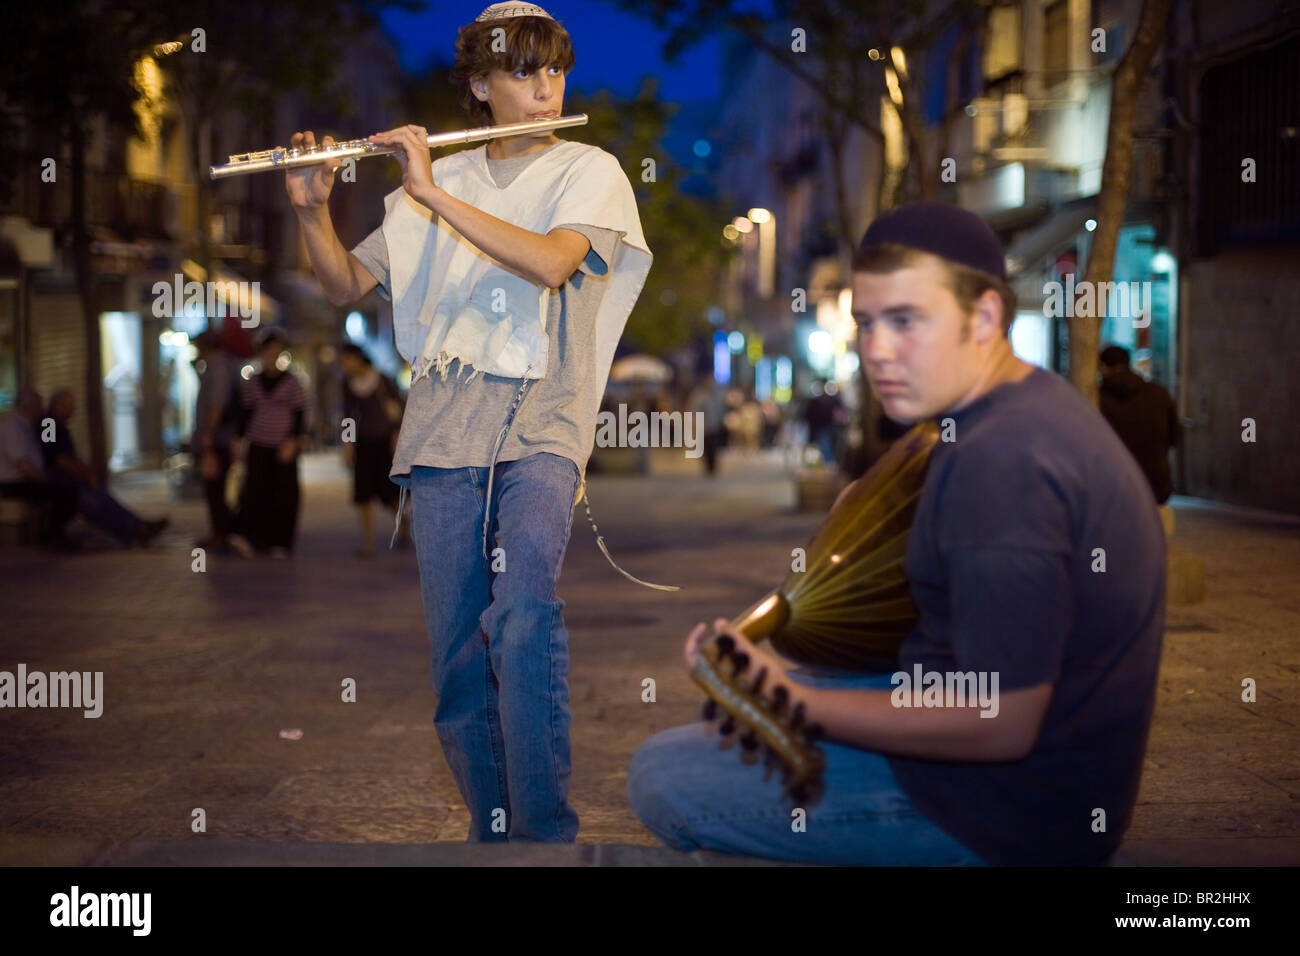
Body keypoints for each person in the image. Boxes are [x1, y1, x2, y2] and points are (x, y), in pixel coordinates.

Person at [629, 201, 1167, 866]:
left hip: (1009, 809)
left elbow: (1002, 719)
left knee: (662, 774)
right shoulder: (1019, 406)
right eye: (866, 323)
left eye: (907, 321)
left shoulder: (1002, 462)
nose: (878, 350)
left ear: (987, 316)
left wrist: (794, 701)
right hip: (1027, 761)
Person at [286, 2, 652, 842]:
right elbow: (347, 286)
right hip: (446, 422)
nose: (545, 86)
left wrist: (426, 193)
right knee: (457, 657)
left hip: (542, 418)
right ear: (480, 85)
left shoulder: (587, 169)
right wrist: (312, 210)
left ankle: (545, 833)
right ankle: (495, 837)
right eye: (522, 71)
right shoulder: (439, 180)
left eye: (554, 67)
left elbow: (554, 262)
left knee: (522, 612)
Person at [40, 389, 169, 547]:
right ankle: (134, 529)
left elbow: (69, 455)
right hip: (61, 480)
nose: (74, 410)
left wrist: (87, 472)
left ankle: (137, 526)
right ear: (59, 405)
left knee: (103, 497)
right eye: (70, 406)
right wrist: (83, 475)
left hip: (71, 478)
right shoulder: (49, 424)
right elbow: (57, 458)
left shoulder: (60, 426)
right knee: (93, 502)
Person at [229, 328, 308, 557]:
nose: (271, 355)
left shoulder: (292, 381)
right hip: (258, 443)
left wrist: (293, 441)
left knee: (284, 494)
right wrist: (238, 440)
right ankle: (254, 539)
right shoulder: (253, 382)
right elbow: (246, 412)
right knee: (255, 491)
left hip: (283, 445)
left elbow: (300, 413)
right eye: (268, 350)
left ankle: (281, 542)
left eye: (275, 350)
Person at [338, 343, 403, 556]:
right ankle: (368, 542)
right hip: (363, 443)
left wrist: (396, 436)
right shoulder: (347, 384)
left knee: (389, 493)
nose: (344, 365)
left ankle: (404, 522)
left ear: (358, 358)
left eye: (347, 359)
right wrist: (348, 443)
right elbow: (347, 415)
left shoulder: (382, 379)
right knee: (363, 493)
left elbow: (398, 408)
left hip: (385, 442)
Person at [1098, 345, 1180, 504]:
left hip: (1112, 487)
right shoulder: (1159, 394)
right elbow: (1174, 438)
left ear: (1103, 367)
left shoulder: (1097, 399)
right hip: (1156, 488)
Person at [0, 386, 76, 545]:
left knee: (67, 487)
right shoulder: (18, 427)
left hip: (28, 478)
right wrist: (48, 478)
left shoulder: (34, 425)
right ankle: (52, 537)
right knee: (63, 490)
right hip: (15, 482)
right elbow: (27, 465)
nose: (42, 409)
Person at [192, 330, 241, 551]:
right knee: (215, 488)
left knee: (216, 488)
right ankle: (221, 531)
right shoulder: (219, 365)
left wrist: (208, 435)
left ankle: (222, 533)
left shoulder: (219, 366)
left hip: (218, 438)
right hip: (219, 437)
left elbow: (217, 405)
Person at [685, 373, 727, 475]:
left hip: (714, 426)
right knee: (706, 448)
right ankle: (708, 467)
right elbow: (693, 411)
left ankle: (713, 467)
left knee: (714, 448)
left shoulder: (716, 395)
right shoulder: (699, 396)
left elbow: (720, 409)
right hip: (703, 427)